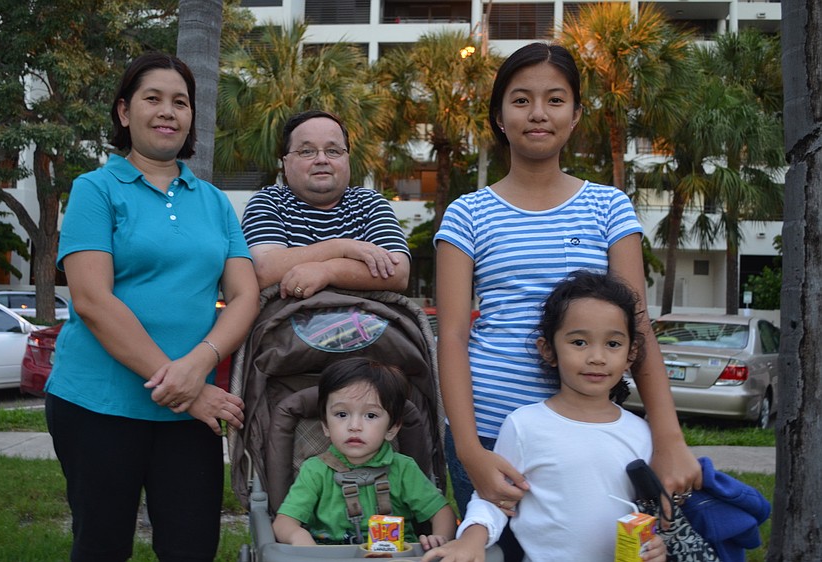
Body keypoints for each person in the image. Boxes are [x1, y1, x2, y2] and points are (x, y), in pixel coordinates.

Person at [434, 42, 701, 558]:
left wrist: (667, 437)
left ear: (576, 115)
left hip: (587, 433)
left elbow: (637, 326)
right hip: (490, 431)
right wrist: (469, 451)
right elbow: (452, 335)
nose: (538, 113)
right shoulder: (467, 214)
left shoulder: (608, 206)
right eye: (521, 100)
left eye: (555, 100)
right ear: (498, 115)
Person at [44, 52, 260, 562]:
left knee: (192, 548)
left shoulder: (213, 201)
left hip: (189, 417)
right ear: (124, 112)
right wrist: (183, 388)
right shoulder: (94, 190)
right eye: (153, 99)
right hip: (97, 406)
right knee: (101, 546)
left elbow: (245, 294)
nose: (168, 112)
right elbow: (94, 301)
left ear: (190, 119)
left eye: (180, 102)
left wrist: (200, 367)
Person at [422, 271, 667, 562]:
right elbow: (494, 500)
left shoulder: (641, 433)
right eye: (579, 342)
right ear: (548, 350)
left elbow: (651, 511)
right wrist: (471, 541)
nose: (597, 357)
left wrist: (656, 546)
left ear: (631, 353)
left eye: (612, 344)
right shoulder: (525, 426)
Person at [273, 357, 456, 550]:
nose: (354, 426)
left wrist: (439, 539)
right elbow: (283, 522)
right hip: (330, 555)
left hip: (396, 554)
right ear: (326, 425)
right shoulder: (315, 471)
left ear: (392, 429)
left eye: (371, 415)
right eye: (342, 414)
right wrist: (298, 536)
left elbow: (442, 512)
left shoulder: (403, 469)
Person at [240, 110, 411, 299]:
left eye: (333, 151)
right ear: (286, 164)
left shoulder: (369, 203)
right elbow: (263, 270)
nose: (321, 159)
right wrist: (341, 248)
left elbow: (398, 272)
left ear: (347, 160)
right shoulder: (269, 201)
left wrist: (328, 271)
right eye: (307, 151)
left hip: (368, 325)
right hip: (287, 325)